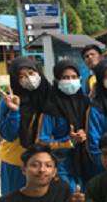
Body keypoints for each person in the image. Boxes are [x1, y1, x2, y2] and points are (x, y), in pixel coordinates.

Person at [0, 57, 51, 195]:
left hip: (43, 162)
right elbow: (8, 135)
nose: (28, 78)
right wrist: (14, 111)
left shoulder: (50, 96)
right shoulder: (9, 100)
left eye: (31, 73)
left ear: (38, 72)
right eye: (21, 76)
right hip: (15, 162)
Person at [38, 60, 90, 193]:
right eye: (65, 78)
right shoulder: (51, 108)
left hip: (87, 162)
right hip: (63, 166)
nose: (70, 81)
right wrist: (69, 142)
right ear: (57, 81)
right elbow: (42, 142)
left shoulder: (86, 102)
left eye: (74, 77)